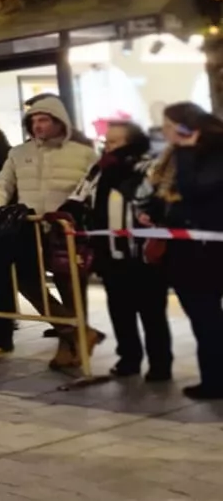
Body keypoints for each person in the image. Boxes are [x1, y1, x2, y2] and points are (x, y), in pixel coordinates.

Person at [0, 95, 100, 366]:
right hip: (29, 229)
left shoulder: (84, 153)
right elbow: (2, 185)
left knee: (72, 290)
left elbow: (92, 190)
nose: (37, 125)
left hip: (67, 231)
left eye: (43, 119)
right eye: (33, 120)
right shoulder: (19, 153)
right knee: (25, 280)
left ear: (59, 121)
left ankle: (69, 348)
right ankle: (76, 332)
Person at [65, 121, 169, 381]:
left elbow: (155, 199)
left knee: (152, 311)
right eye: (107, 142)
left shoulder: (150, 167)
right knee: (120, 309)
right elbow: (79, 196)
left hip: (143, 254)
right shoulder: (99, 169)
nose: (108, 147)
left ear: (132, 142)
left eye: (115, 142)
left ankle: (160, 363)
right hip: (109, 253)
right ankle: (129, 357)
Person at [137, 102, 223, 400]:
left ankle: (216, 382)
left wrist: (186, 150)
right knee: (204, 317)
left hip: (206, 251)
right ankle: (213, 377)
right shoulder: (172, 156)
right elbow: (171, 197)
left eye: (168, 125)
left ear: (184, 126)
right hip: (187, 249)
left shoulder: (211, 153)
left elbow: (195, 191)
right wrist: (154, 214)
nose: (165, 131)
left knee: (207, 317)